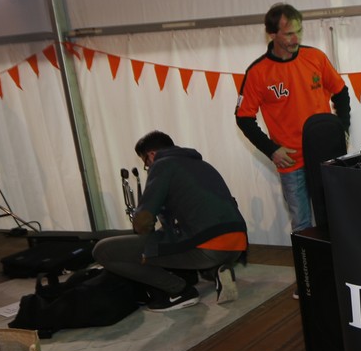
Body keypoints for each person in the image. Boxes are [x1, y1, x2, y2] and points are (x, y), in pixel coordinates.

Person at [94, 131, 249, 311]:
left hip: (208, 249)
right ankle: (216, 271)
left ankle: (179, 292)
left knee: (103, 251)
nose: (147, 167)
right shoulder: (202, 165)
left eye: (145, 162)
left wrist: (141, 239)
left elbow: (143, 221)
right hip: (236, 246)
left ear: (152, 154)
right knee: (177, 239)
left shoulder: (162, 166)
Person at [235, 3, 351, 233]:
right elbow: (244, 118)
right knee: (302, 224)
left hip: (325, 154)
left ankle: (335, 258)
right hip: (291, 160)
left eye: (299, 31)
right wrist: (271, 150)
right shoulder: (258, 72)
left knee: (335, 218)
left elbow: (340, 92)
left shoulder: (315, 57)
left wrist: (343, 129)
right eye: (289, 33)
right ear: (272, 34)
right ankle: (307, 258)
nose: (296, 38)